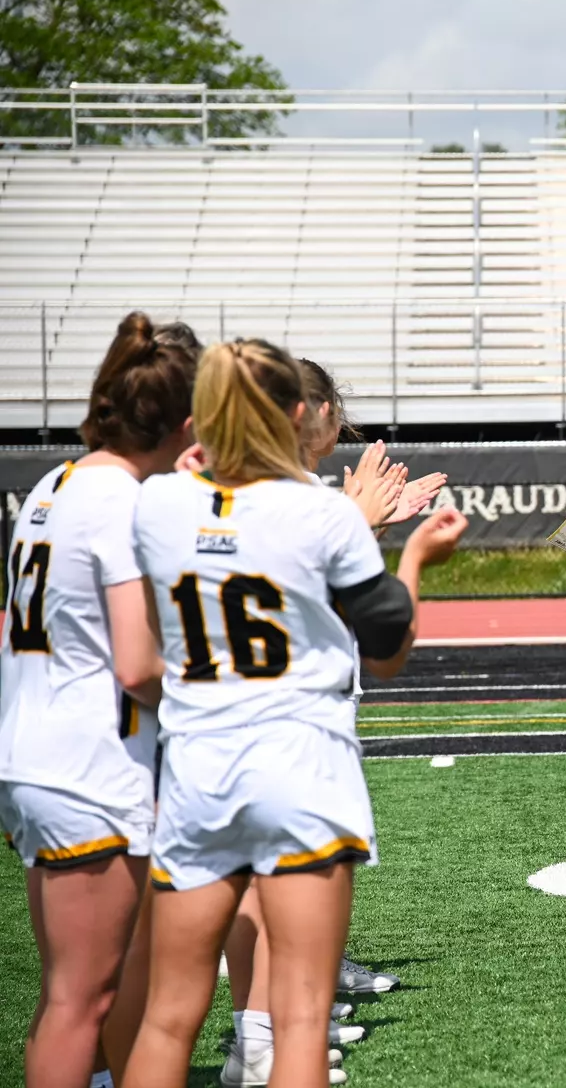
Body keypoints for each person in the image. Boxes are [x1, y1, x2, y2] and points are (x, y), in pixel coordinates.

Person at [122, 339, 467, 1088]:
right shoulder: (324, 513)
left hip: (196, 773)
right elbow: (385, 651)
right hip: (301, 767)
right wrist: (413, 562)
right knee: (303, 1021)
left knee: (167, 1017)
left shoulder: (158, 503)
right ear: (302, 414)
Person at [217, 359, 450, 1084]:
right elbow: (385, 643)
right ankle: (274, 1034)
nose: (336, 425)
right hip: (285, 726)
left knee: (170, 986)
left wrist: (359, 520)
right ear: (301, 412)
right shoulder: (305, 506)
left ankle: (257, 1035)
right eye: (329, 411)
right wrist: (398, 550)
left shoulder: (190, 501)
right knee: (264, 898)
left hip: (207, 735)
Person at [0, 312, 197, 1088]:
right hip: (87, 765)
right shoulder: (121, 502)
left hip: (38, 750)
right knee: (79, 1001)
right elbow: (138, 664)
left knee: (86, 993)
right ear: (183, 422)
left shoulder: (58, 482)